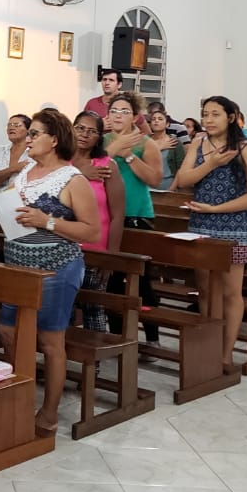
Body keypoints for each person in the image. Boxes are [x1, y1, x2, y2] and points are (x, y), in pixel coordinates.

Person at [3, 109, 100, 435]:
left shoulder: (72, 179)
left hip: (56, 268)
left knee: (49, 342)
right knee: (8, 331)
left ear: (54, 139)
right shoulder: (26, 171)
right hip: (18, 266)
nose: (27, 139)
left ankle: (48, 413)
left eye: (34, 134)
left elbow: (91, 231)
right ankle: (18, 398)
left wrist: (47, 222)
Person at [174, 96, 247, 369]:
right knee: (204, 289)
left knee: (230, 292)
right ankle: (210, 345)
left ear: (231, 117)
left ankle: (226, 352)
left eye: (215, 114)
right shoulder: (198, 143)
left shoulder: (245, 147)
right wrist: (211, 163)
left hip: (235, 227)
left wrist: (217, 209)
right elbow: (183, 180)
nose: (209, 119)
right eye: (205, 114)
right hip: (201, 225)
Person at [103, 91, 163, 342]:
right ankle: (117, 337)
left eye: (124, 111)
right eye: (114, 111)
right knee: (111, 279)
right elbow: (94, 167)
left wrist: (127, 155)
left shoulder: (145, 143)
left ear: (135, 116)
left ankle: (151, 336)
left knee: (142, 279)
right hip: (107, 216)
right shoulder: (102, 140)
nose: (118, 115)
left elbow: (155, 178)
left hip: (137, 215)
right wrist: (113, 150)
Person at [71, 111, 125, 331]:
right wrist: (80, 172)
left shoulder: (106, 165)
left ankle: (96, 354)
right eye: (80, 128)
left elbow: (118, 214)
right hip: (63, 247)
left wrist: (111, 257)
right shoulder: (60, 162)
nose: (84, 134)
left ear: (99, 137)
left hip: (95, 249)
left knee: (94, 310)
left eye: (92, 131)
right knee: (62, 311)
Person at [0, 114, 32, 190]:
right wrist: (13, 169)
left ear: (28, 130)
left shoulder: (33, 152)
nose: (11, 128)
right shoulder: (0, 151)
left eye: (16, 125)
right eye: (9, 125)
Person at [148, 108, 185, 190]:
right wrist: (159, 147)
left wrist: (172, 188)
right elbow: (139, 161)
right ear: (150, 124)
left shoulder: (175, 142)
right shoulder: (145, 141)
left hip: (168, 185)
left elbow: (181, 168)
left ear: (167, 124)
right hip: (147, 185)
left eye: (160, 119)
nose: (156, 121)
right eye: (153, 119)